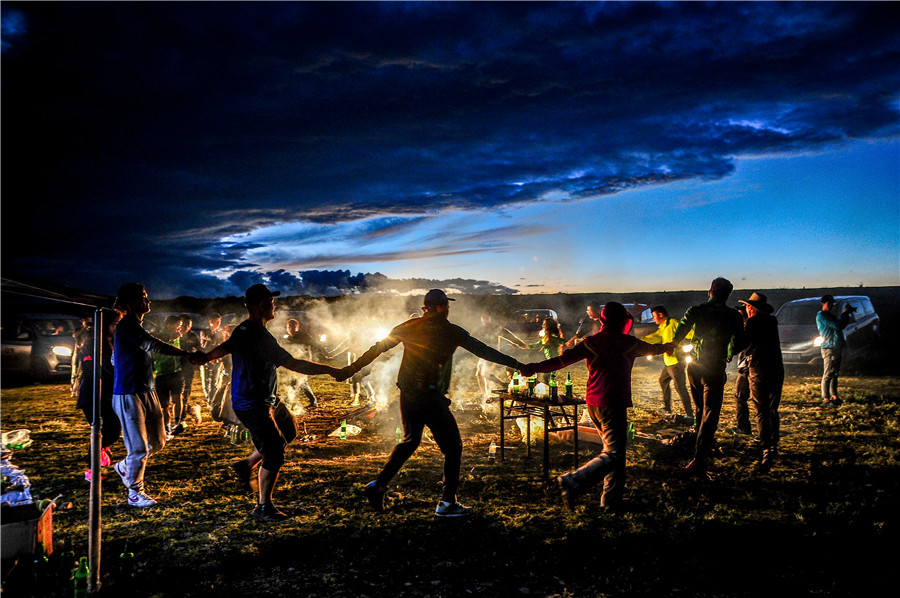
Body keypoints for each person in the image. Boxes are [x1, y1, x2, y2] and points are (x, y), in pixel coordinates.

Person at [338, 289, 527, 517]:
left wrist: (351, 369)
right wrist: (517, 364)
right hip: (429, 398)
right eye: (446, 306)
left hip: (409, 394)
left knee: (410, 441)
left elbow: (377, 348)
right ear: (439, 307)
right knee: (453, 447)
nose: (448, 310)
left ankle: (378, 486)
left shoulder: (409, 327)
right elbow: (483, 351)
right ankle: (447, 503)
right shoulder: (450, 331)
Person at [198, 284, 344, 522]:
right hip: (252, 403)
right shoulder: (258, 334)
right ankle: (263, 506)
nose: (274, 305)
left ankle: (246, 465)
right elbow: (294, 364)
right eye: (270, 301)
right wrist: (332, 371)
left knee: (288, 430)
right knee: (274, 452)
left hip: (267, 398)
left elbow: (226, 347)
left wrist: (205, 357)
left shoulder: (243, 329)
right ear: (259, 305)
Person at [520, 302, 673, 511]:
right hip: (613, 403)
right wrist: (668, 346)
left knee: (613, 452)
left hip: (594, 404)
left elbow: (560, 361)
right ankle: (573, 481)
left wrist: (533, 368)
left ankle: (611, 502)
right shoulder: (628, 342)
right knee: (614, 454)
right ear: (622, 321)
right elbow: (653, 349)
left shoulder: (591, 342)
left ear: (602, 321)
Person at [111, 283, 203, 508]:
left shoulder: (135, 326)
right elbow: (152, 344)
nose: (148, 301)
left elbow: (120, 357)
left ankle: (125, 466)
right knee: (139, 449)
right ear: (131, 302)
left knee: (159, 441)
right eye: (144, 297)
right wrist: (185, 354)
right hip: (128, 394)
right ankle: (134, 492)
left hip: (147, 390)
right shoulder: (127, 325)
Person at [670, 277, 745, 477]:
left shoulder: (696, 311)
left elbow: (680, 332)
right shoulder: (734, 316)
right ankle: (700, 457)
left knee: (700, 408)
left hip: (694, 364)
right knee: (711, 411)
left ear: (709, 291)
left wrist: (673, 346)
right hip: (715, 366)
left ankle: (701, 445)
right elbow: (739, 341)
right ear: (728, 295)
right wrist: (729, 353)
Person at [733, 292, 784, 471]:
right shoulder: (772, 321)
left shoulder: (753, 323)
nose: (746, 309)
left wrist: (728, 352)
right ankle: (774, 445)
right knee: (772, 409)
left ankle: (766, 450)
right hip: (777, 369)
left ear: (751, 308)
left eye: (748, 306)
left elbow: (740, 342)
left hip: (759, 370)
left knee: (761, 411)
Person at [76, 311, 122, 482]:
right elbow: (103, 370)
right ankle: (91, 470)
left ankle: (102, 451)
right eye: (115, 324)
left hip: (108, 395)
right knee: (103, 432)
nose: (118, 327)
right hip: (93, 397)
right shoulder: (94, 345)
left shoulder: (112, 343)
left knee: (111, 430)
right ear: (105, 325)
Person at [640, 306, 694, 421]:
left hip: (677, 362)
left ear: (660, 315)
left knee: (680, 387)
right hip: (669, 362)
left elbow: (689, 333)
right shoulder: (663, 327)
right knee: (663, 381)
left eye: (654, 316)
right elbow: (655, 337)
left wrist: (697, 335)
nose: (653, 319)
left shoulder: (674, 323)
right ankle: (667, 408)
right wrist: (640, 340)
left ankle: (689, 414)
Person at [817, 295, 854, 408]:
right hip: (829, 347)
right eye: (829, 304)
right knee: (828, 373)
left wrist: (845, 314)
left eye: (832, 304)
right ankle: (826, 398)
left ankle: (834, 396)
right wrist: (845, 313)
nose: (831, 306)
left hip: (835, 346)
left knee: (835, 373)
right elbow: (838, 325)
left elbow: (839, 325)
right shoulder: (822, 316)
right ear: (823, 303)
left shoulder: (829, 315)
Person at [153, 315, 185, 438]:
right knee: (164, 406)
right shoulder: (159, 336)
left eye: (180, 326)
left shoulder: (178, 336)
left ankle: (177, 423)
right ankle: (167, 429)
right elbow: (160, 343)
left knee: (178, 398)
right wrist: (170, 338)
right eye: (178, 325)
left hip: (176, 373)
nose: (179, 328)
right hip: (162, 374)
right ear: (169, 325)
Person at [514, 317, 566, 384]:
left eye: (544, 324)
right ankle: (551, 389)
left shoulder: (552, 336)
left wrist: (566, 342)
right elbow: (538, 345)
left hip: (555, 359)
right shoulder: (546, 336)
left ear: (549, 325)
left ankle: (552, 390)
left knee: (547, 376)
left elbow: (559, 340)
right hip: (550, 359)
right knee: (548, 377)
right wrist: (527, 346)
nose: (543, 326)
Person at [284, 318, 320, 408]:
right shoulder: (288, 339)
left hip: (303, 362)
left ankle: (288, 401)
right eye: (289, 327)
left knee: (296, 382)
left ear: (297, 327)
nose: (290, 328)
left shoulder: (303, 336)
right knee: (302, 383)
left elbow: (314, 343)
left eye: (293, 326)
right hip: (292, 363)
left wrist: (325, 353)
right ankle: (313, 401)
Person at [176, 314, 202, 430]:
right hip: (176, 368)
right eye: (185, 324)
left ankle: (182, 418)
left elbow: (200, 349)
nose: (187, 326)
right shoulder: (175, 336)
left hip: (188, 368)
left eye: (189, 324)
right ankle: (184, 413)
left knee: (185, 392)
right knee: (177, 395)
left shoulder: (193, 336)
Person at [200, 313, 226, 405]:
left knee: (215, 381)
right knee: (206, 381)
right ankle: (209, 399)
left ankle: (213, 401)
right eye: (217, 321)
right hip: (206, 358)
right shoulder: (205, 331)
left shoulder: (219, 332)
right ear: (211, 322)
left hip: (217, 359)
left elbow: (222, 343)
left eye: (220, 322)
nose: (219, 324)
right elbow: (211, 339)